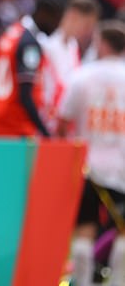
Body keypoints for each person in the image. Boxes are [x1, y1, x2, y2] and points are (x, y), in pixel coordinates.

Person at [57, 20, 125, 286]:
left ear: (102, 44)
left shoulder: (82, 76)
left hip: (87, 166)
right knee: (123, 230)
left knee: (84, 229)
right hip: (121, 167)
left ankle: (82, 282)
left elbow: (63, 121)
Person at [0, 0, 64, 137]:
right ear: (44, 13)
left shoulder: (12, 32)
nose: (56, 27)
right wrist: (45, 132)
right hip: (16, 127)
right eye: (56, 19)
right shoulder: (30, 44)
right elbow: (25, 96)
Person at [41, 0, 101, 130]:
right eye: (86, 25)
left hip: (64, 121)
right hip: (47, 121)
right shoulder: (47, 44)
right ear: (72, 15)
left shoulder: (73, 46)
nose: (87, 32)